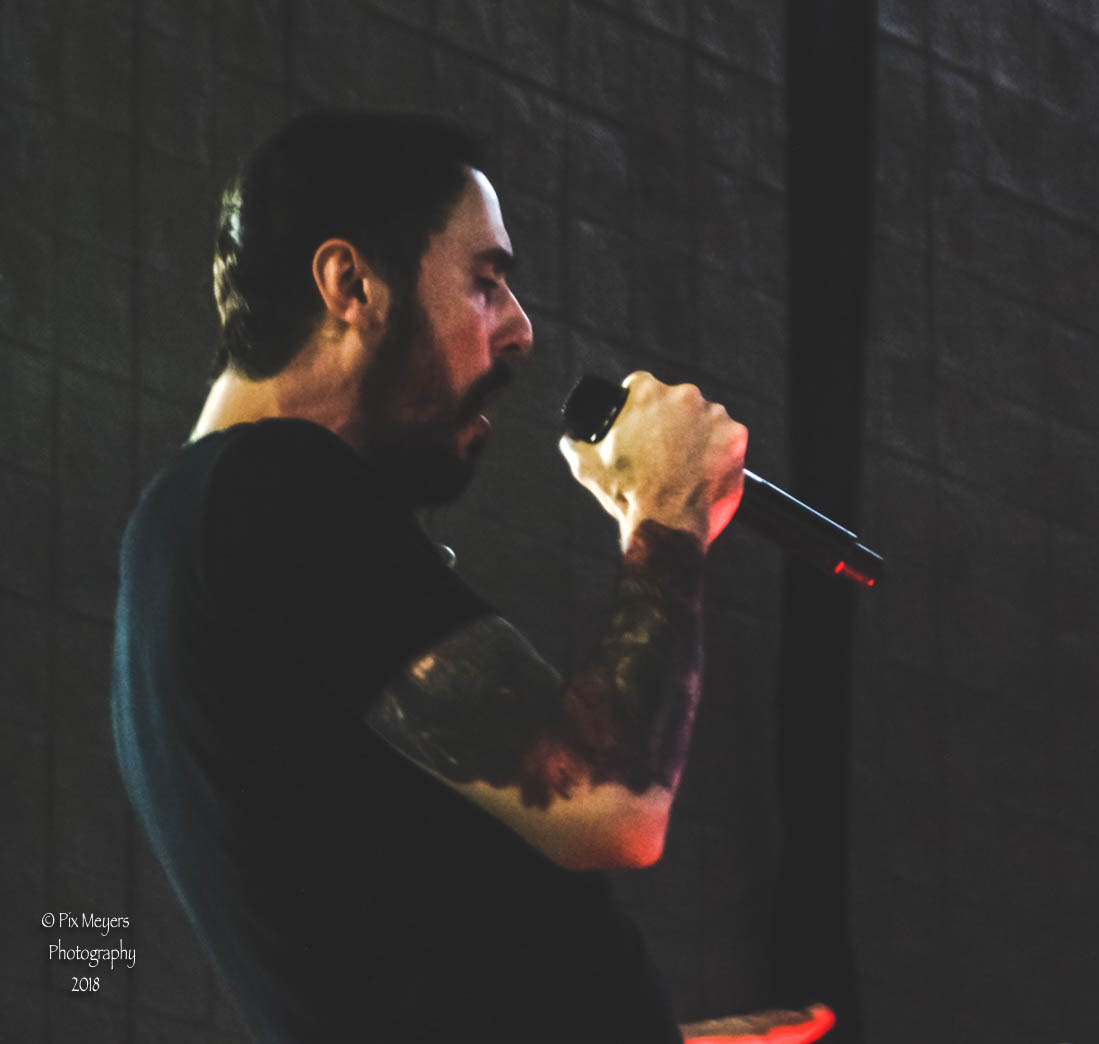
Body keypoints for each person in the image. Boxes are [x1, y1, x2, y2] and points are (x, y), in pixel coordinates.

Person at [111, 110, 832, 1043]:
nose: (520, 331)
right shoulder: (266, 492)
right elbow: (612, 801)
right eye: (485, 283)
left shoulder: (196, 532)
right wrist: (667, 507)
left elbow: (397, 954)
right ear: (350, 285)